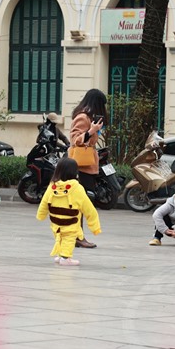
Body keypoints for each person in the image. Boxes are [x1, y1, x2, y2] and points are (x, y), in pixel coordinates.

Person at [36, 157, 101, 266]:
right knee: (69, 239)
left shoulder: (52, 186)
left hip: (55, 222)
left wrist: (41, 215)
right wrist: (95, 227)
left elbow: (44, 202)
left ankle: (61, 255)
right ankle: (65, 258)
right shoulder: (77, 188)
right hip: (70, 221)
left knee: (59, 236)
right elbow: (88, 208)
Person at [68, 89, 108, 249]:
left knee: (81, 203)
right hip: (80, 166)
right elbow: (75, 140)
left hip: (85, 165)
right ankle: (78, 236)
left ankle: (78, 236)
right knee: (79, 203)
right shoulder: (83, 117)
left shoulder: (88, 117)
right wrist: (91, 131)